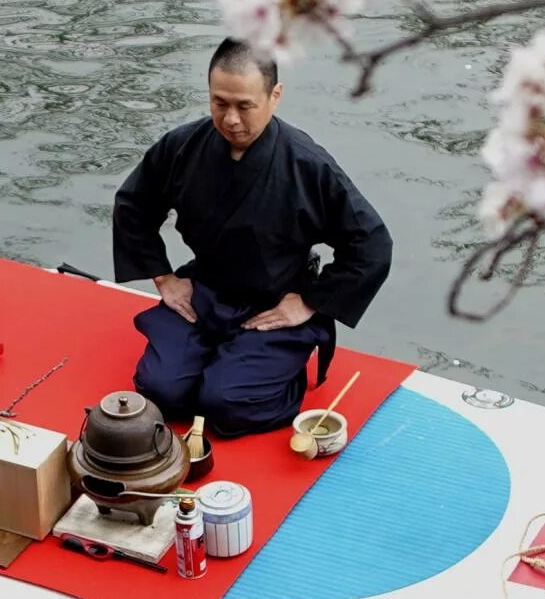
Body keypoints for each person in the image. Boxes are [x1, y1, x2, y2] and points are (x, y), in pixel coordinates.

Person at [110, 38, 392, 435]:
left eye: (245, 106)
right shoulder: (183, 147)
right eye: (219, 102)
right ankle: (216, 361)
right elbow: (133, 206)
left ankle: (283, 375)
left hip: (275, 303)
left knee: (223, 404)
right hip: (205, 291)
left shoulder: (307, 165)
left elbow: (372, 243)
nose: (230, 119)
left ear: (274, 96)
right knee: (160, 392)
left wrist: (311, 301)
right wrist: (164, 277)